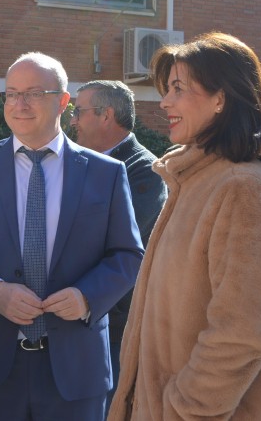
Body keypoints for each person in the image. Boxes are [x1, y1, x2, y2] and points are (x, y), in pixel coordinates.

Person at [0, 52, 144, 420]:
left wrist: (87, 296)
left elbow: (128, 254)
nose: (20, 103)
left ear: (63, 102)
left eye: (33, 92)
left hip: (78, 367)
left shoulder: (105, 173)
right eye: (12, 93)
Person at [108, 32, 261, 420]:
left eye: (178, 89)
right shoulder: (195, 181)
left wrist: (183, 408)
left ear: (220, 98)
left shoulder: (241, 188)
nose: (164, 102)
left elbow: (242, 333)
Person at [71, 79, 167, 410]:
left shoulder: (145, 171)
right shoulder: (80, 162)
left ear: (106, 115)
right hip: (78, 319)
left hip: (116, 326)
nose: (72, 121)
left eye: (78, 111)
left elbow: (119, 243)